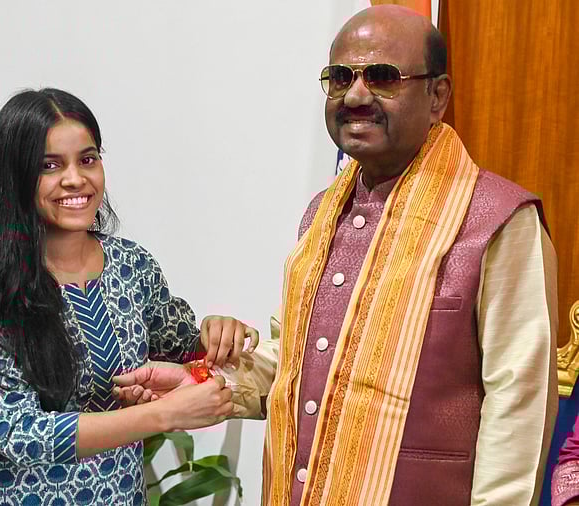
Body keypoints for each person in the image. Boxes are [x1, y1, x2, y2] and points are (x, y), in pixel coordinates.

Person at [113, 5, 559, 505]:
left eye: (384, 77)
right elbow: (298, 358)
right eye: (341, 77)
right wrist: (203, 380)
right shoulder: (325, 213)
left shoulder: (497, 219)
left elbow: (517, 407)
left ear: (438, 96)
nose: (357, 95)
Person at [0, 88, 258, 505]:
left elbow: (183, 348)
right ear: (15, 177)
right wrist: (159, 416)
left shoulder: (132, 265)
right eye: (49, 165)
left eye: (88, 159)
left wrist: (217, 333)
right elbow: (20, 434)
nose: (76, 178)